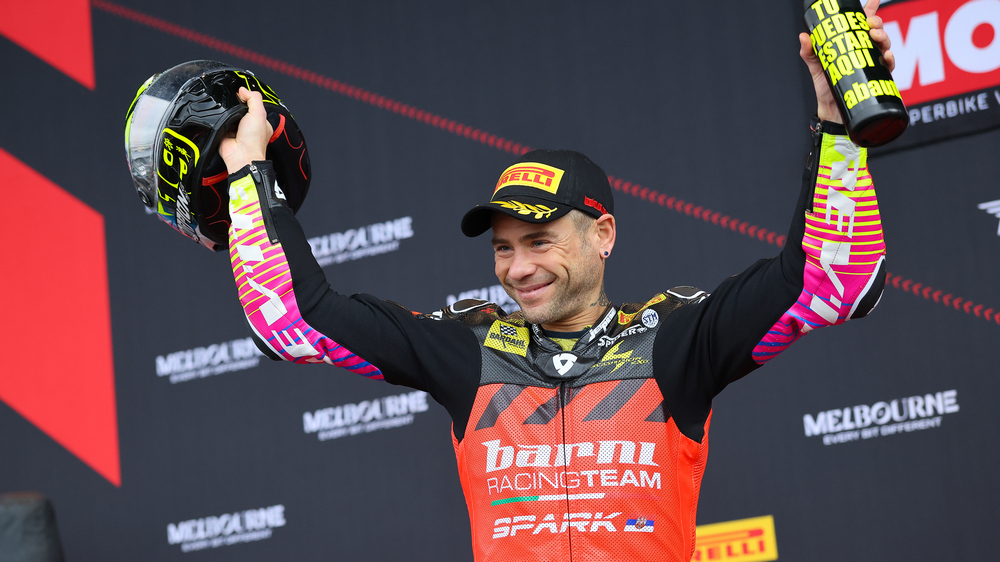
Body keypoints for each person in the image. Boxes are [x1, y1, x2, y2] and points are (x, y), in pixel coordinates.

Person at [217, 2, 894, 560]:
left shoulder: (675, 341)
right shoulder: (469, 350)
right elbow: (293, 321)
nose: (517, 268)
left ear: (603, 235)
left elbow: (835, 280)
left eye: (539, 241)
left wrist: (837, 126)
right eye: (504, 248)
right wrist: (250, 174)